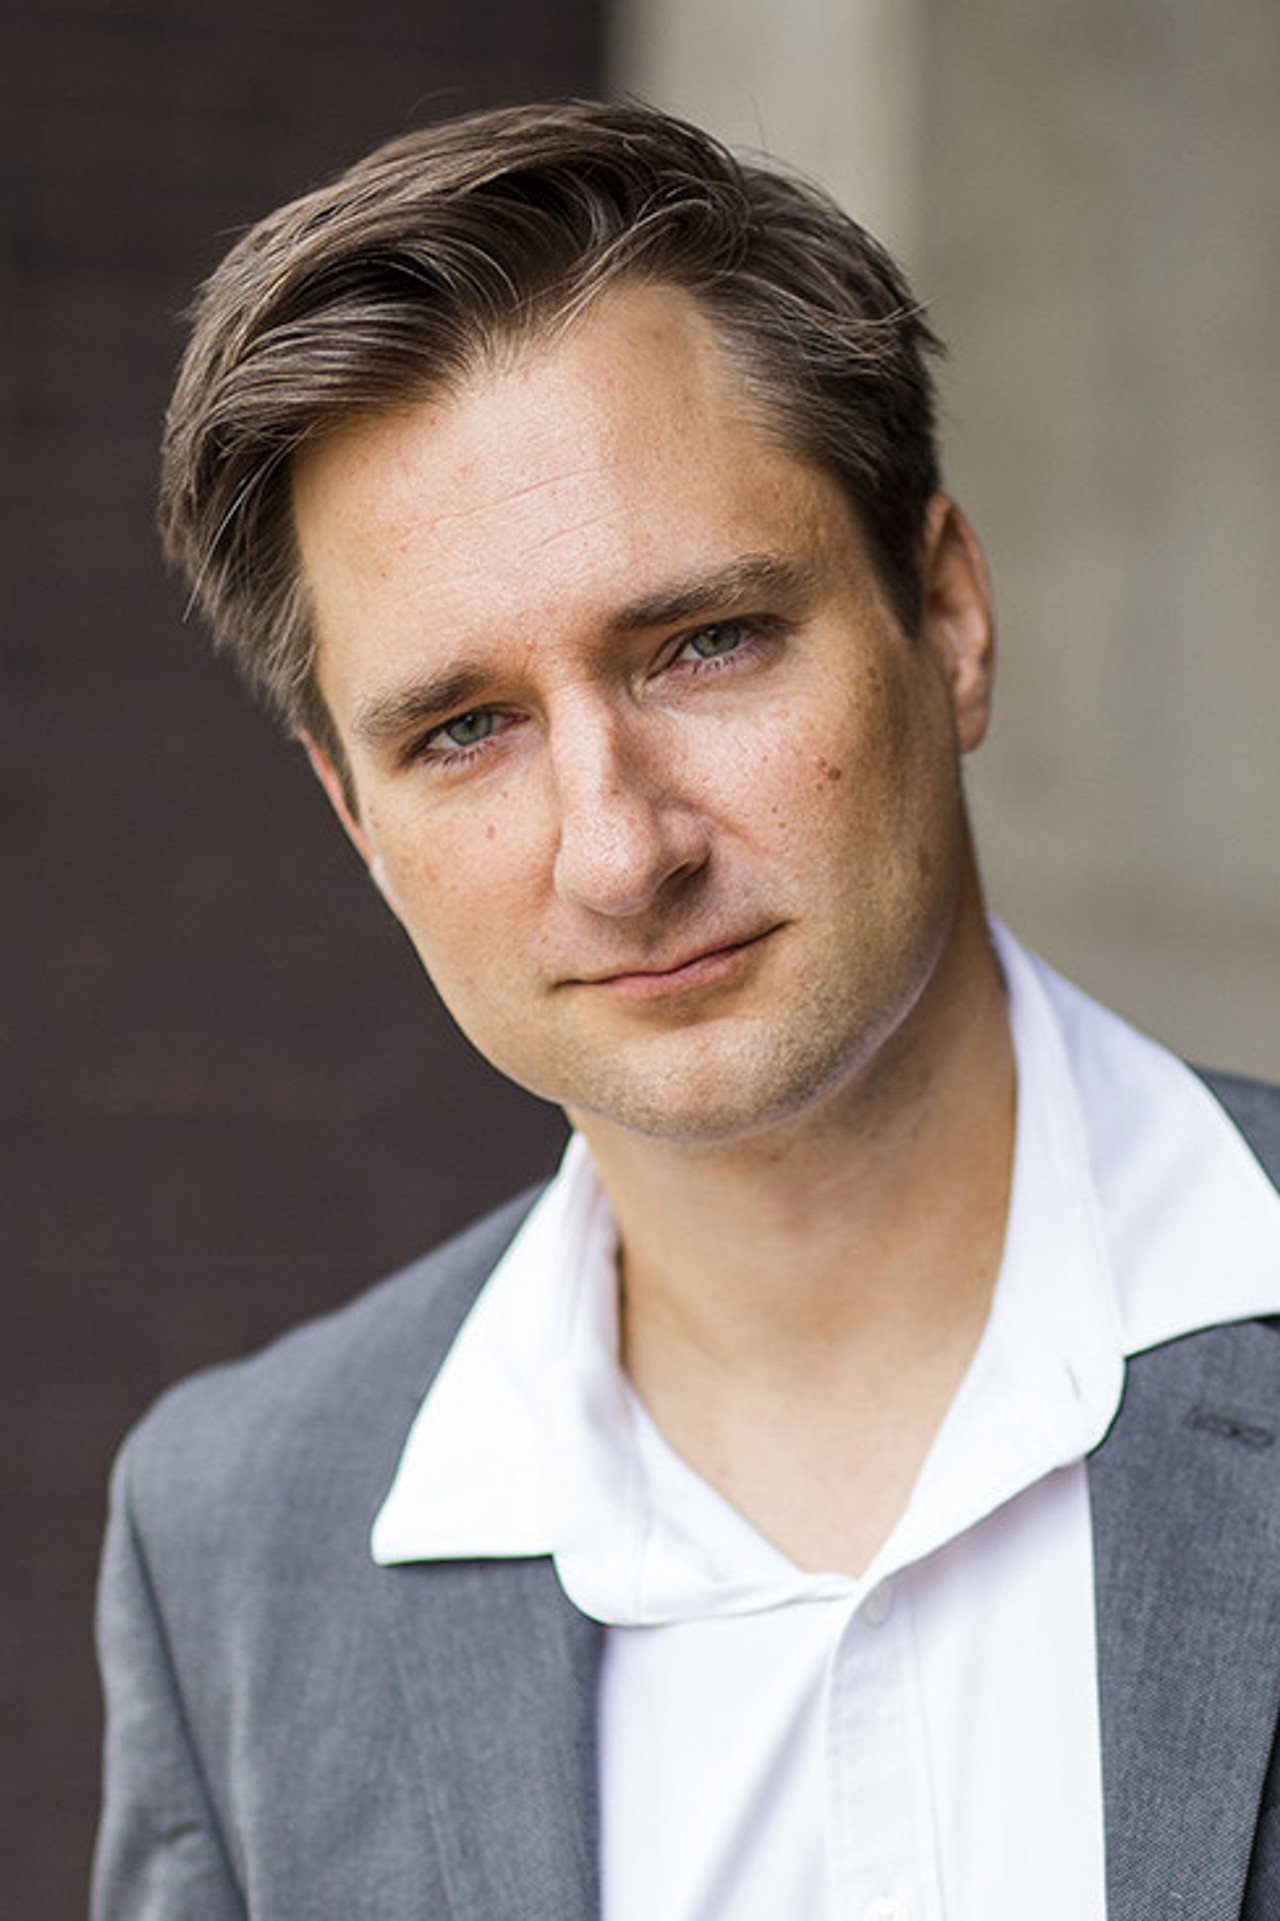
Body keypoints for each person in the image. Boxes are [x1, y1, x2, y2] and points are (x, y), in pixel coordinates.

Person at [93, 99, 1280, 1921]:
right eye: (463, 730)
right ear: (356, 818)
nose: (620, 850)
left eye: (704, 642)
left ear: (948, 616)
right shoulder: (238, 1540)